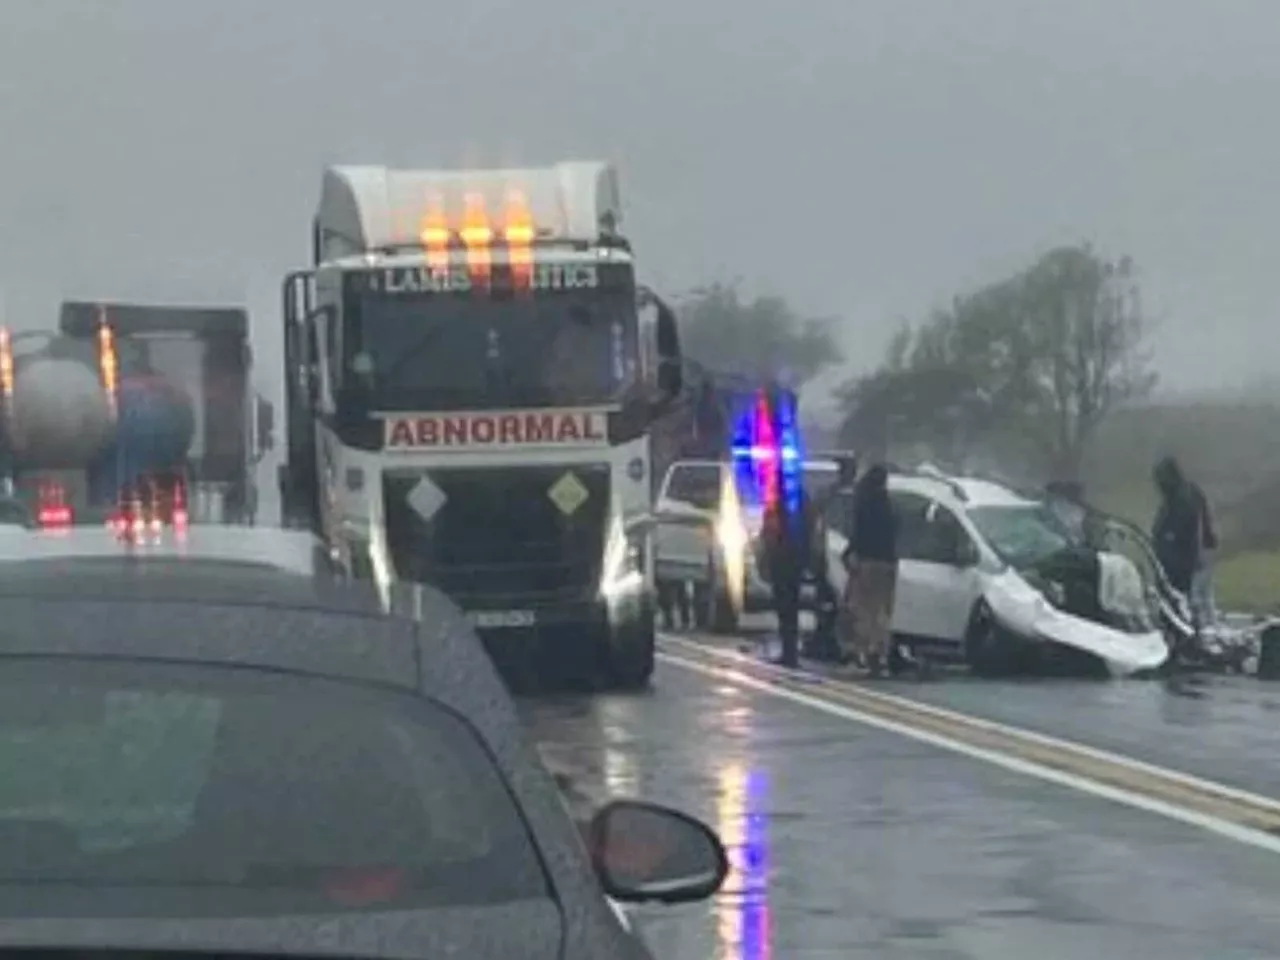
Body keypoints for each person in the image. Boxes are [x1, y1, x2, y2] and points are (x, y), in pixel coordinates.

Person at [760, 486, 822, 668]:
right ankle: (790, 652)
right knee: (791, 607)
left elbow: (769, 532)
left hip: (781, 560)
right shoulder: (802, 500)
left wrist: (767, 555)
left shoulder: (778, 502)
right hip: (796, 560)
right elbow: (811, 529)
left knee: (785, 607)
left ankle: (789, 653)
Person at [846, 463, 898, 677]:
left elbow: (858, 534)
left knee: (865, 609)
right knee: (882, 611)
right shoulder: (888, 505)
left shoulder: (864, 503)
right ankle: (880, 653)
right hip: (888, 563)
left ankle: (867, 652)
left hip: (868, 562)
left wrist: (851, 555)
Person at [1151, 456, 1209, 611]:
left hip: (1180, 565)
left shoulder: (1180, 499)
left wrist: (1161, 546)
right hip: (1192, 560)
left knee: (1183, 606)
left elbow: (1176, 532)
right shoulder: (1190, 492)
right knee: (1198, 602)